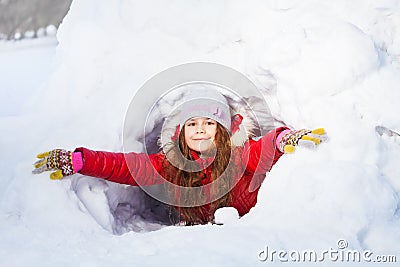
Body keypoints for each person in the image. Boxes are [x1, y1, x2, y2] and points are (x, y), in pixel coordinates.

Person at [33, 89, 326, 225]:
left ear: (222, 131)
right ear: (181, 131)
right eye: (193, 124)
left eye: (209, 124)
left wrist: (284, 137)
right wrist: (82, 160)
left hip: (249, 238)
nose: (200, 130)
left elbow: (265, 147)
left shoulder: (238, 157)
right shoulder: (168, 165)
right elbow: (127, 167)